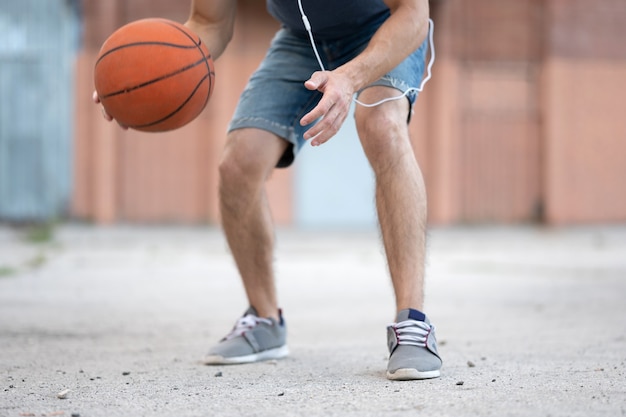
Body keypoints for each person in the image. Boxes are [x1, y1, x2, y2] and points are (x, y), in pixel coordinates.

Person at [97, 0, 442, 381]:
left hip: (384, 29)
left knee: (382, 126)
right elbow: (209, 23)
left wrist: (349, 77)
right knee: (238, 164)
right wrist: (131, 82)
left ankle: (413, 323)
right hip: (301, 41)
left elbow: (413, 13)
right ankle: (264, 320)